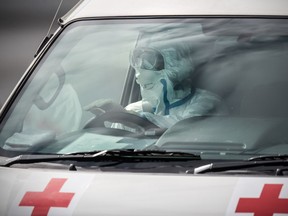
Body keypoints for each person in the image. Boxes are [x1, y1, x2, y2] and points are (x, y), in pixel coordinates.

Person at [124, 46, 223, 128]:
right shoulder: (134, 109)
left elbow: (184, 128)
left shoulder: (207, 102)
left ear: (175, 68)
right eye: (138, 68)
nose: (138, 76)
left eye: (148, 66)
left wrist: (136, 119)